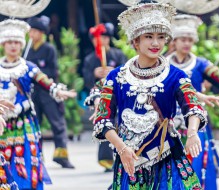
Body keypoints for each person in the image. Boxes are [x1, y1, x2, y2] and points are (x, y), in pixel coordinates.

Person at [86, 1, 208, 189]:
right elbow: (103, 120)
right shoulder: (117, 77)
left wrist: (192, 133)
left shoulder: (176, 75)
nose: (155, 43)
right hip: (129, 160)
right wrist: (122, 148)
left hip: (167, 157)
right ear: (136, 41)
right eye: (149, 37)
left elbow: (192, 107)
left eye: (161, 37)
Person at [167, 14, 219, 190]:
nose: (186, 43)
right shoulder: (164, 65)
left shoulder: (200, 63)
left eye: (190, 40)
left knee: (199, 161)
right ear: (175, 41)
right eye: (183, 39)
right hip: (171, 123)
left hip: (196, 120)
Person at [0, 18, 76, 189]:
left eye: (16, 42)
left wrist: (58, 91)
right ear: (4, 44)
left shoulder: (28, 67)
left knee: (26, 159)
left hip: (24, 122)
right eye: (9, 42)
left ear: (21, 44)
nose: (13, 46)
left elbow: (45, 81)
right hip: (2, 124)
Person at [26, 16, 75, 169]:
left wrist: (35, 73)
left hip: (47, 92)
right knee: (35, 124)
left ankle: (61, 156)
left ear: (42, 33)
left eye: (35, 31)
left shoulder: (49, 49)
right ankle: (36, 156)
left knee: (57, 124)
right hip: (33, 94)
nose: (32, 34)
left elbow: (52, 71)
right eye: (31, 31)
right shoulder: (26, 50)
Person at [82, 22, 127, 172]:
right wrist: (94, 74)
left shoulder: (118, 55)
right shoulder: (89, 59)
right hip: (100, 97)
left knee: (121, 124)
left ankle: (124, 154)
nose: (102, 41)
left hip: (119, 95)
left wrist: (114, 71)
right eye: (98, 38)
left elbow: (126, 71)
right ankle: (106, 158)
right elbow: (86, 80)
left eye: (105, 37)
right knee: (104, 123)